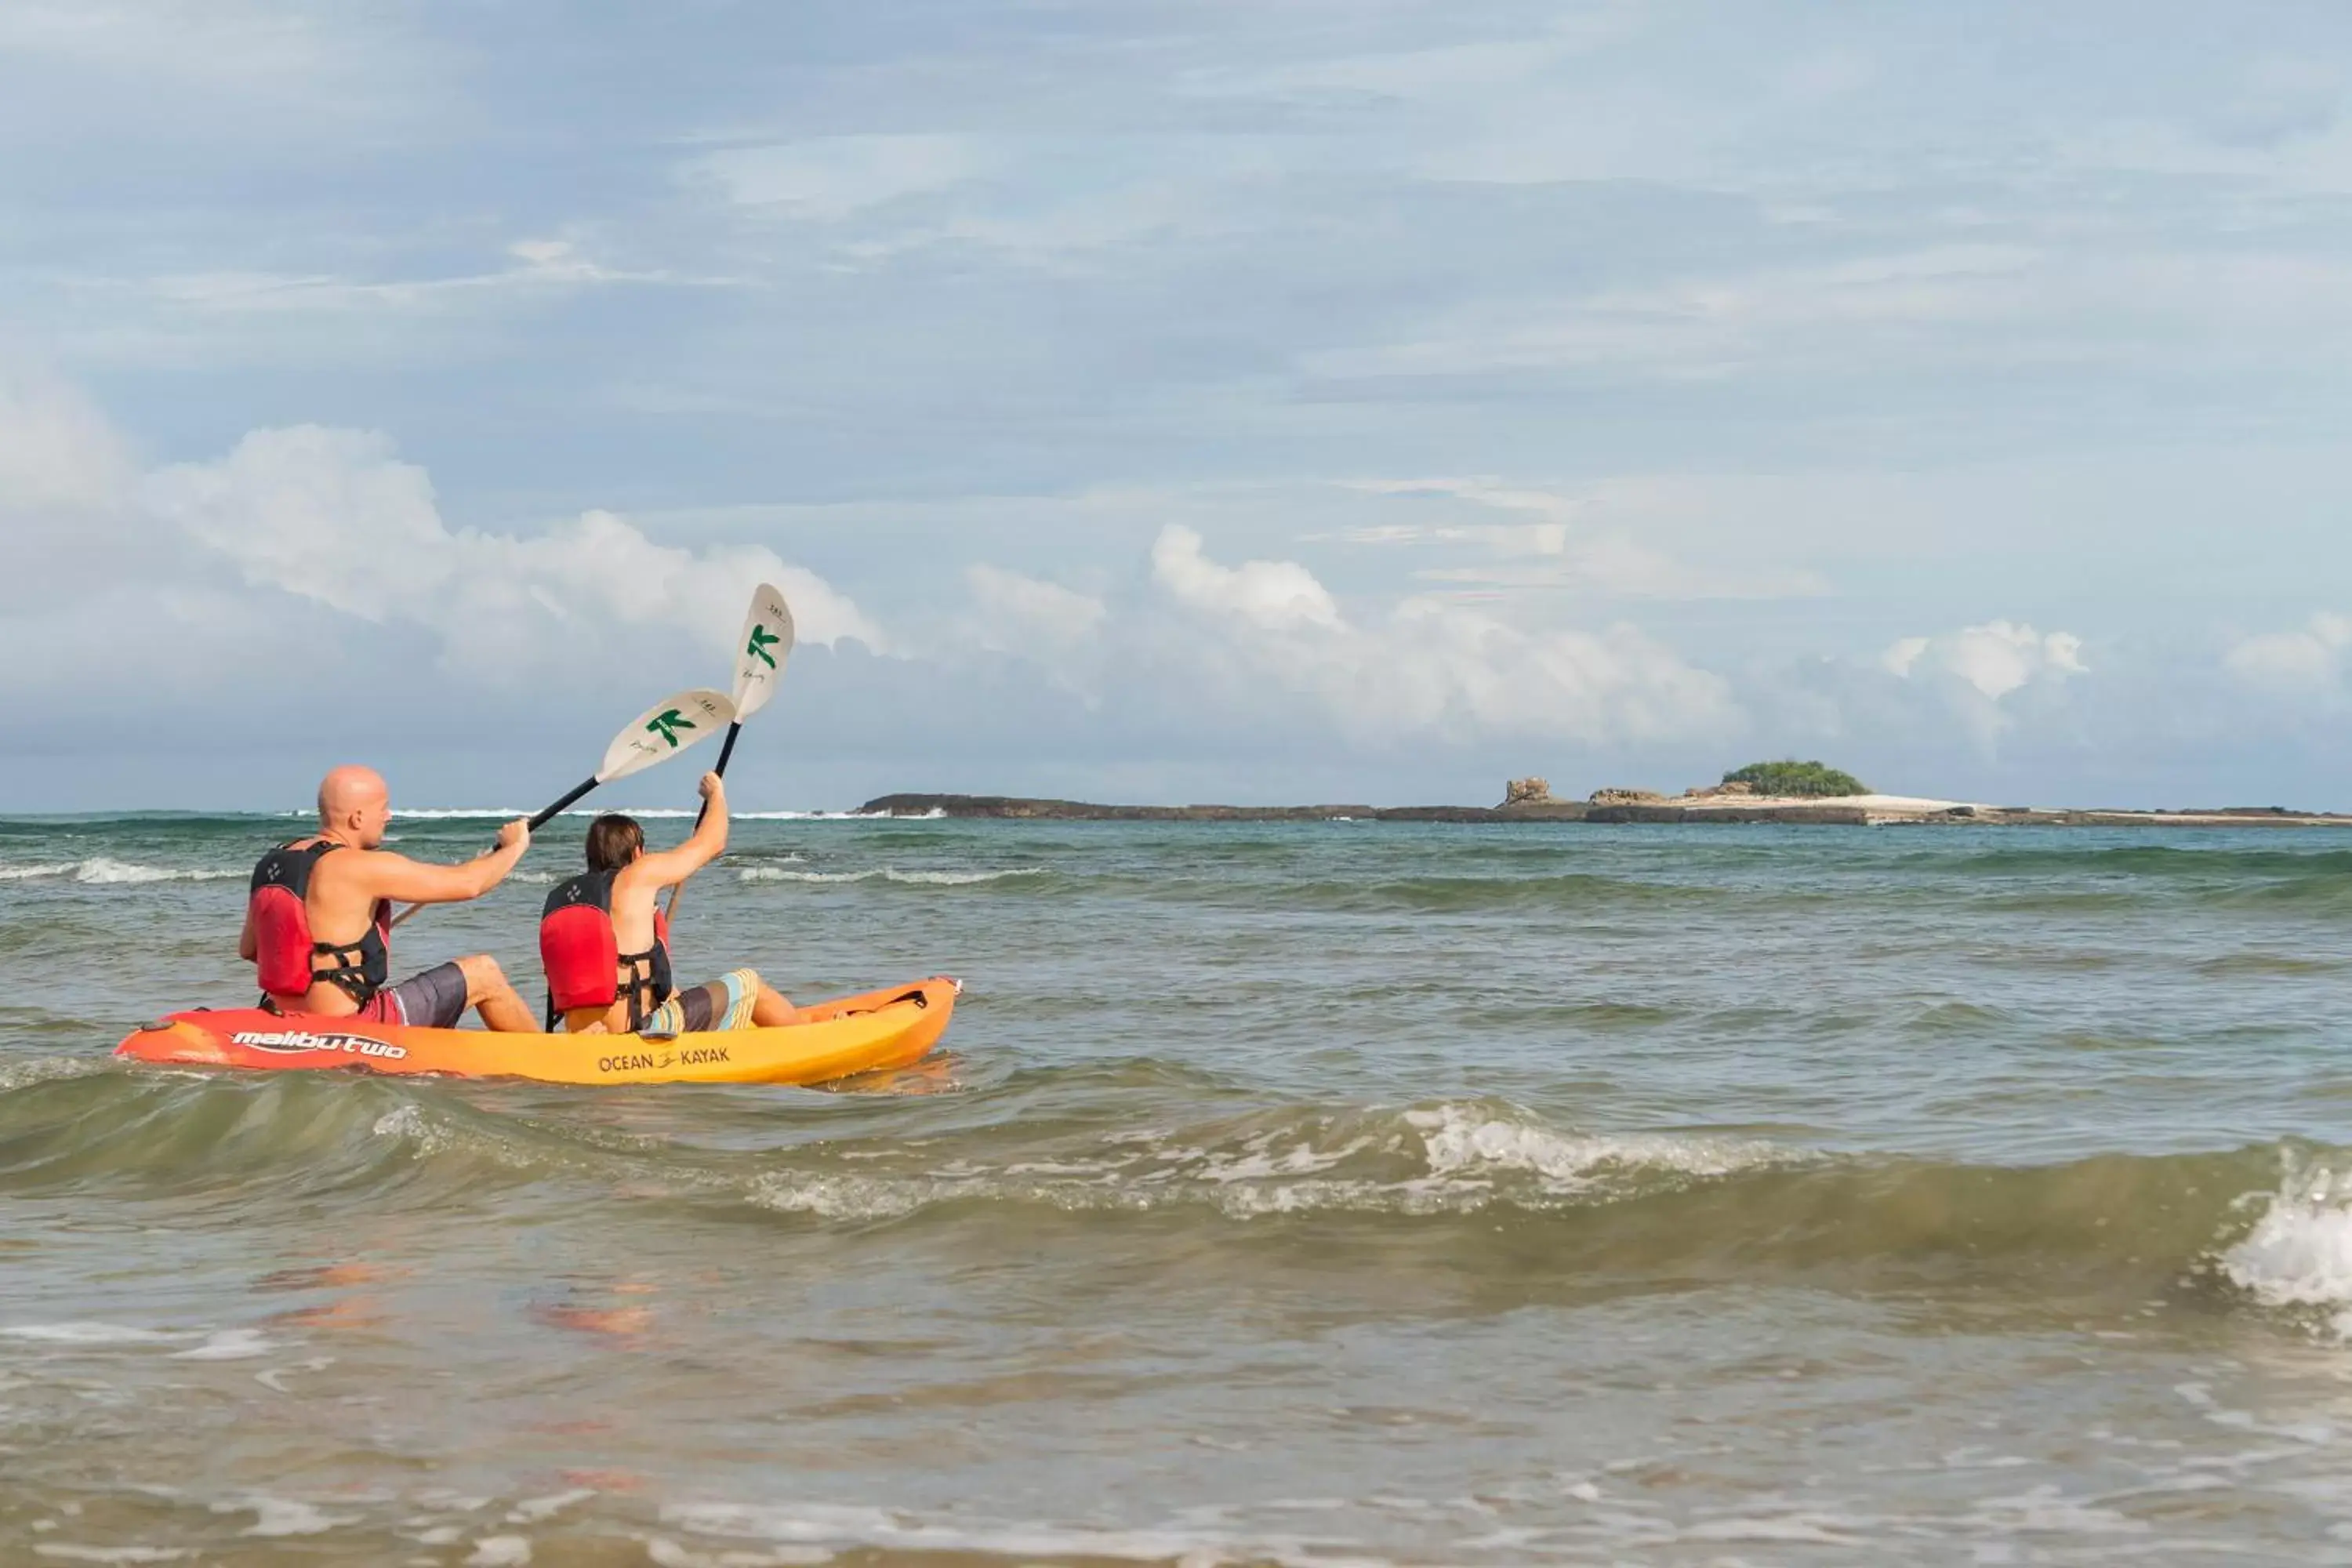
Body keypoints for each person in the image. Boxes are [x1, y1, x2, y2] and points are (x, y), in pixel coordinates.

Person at [239, 765, 536, 1030]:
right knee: (484, 973)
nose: (388, 816)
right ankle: (552, 1059)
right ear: (357, 818)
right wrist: (515, 846)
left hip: (281, 1015)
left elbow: (250, 950)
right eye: (383, 808)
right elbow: (471, 883)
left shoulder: (273, 862)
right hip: (351, 1023)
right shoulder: (363, 865)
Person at [539, 772, 797, 1035]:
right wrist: (716, 794)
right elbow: (712, 842)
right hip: (638, 1034)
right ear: (638, 853)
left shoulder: (561, 899)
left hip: (584, 1035)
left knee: (684, 998)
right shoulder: (637, 875)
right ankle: (807, 1039)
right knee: (749, 984)